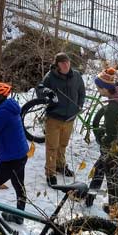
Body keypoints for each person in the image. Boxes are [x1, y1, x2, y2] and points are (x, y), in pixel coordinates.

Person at [88, 67, 118, 215]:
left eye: (99, 88)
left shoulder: (114, 108)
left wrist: (100, 138)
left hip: (114, 147)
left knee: (112, 178)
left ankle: (114, 208)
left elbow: (111, 135)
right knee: (99, 169)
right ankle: (89, 196)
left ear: (105, 88)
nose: (98, 90)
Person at [0, 82, 29, 224]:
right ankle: (19, 215)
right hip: (21, 155)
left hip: (12, 159)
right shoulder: (10, 107)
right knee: (19, 186)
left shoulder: (3, 112)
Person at [37, 52, 86, 186]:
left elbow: (82, 92)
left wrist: (79, 105)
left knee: (62, 145)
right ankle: (50, 173)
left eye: (68, 62)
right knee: (52, 146)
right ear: (57, 65)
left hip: (70, 118)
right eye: (62, 63)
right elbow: (40, 89)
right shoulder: (50, 77)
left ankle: (60, 165)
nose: (66, 65)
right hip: (54, 118)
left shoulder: (76, 75)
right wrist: (47, 92)